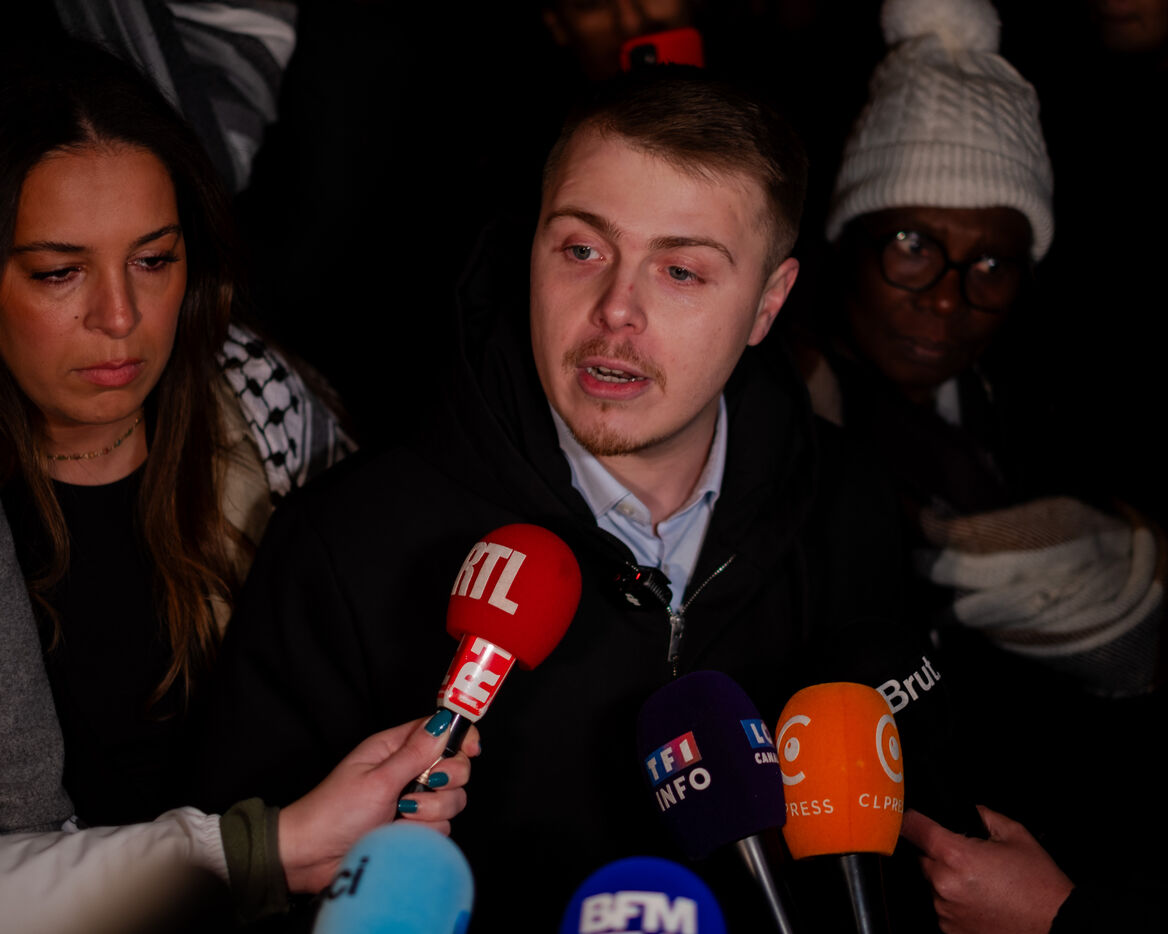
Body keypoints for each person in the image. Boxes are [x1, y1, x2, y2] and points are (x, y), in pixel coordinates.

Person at [197, 66, 961, 930]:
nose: (615, 311)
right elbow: (234, 895)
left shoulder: (851, 506)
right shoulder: (347, 544)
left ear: (768, 303)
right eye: (582, 250)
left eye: (681, 271)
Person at [0, 39, 474, 927]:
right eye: (59, 272)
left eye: (154, 259)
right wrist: (267, 848)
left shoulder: (259, 407)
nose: (120, 317)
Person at [792, 0, 1166, 929]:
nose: (947, 302)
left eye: (992, 265)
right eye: (912, 246)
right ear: (846, 240)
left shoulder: (1040, 412)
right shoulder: (784, 434)